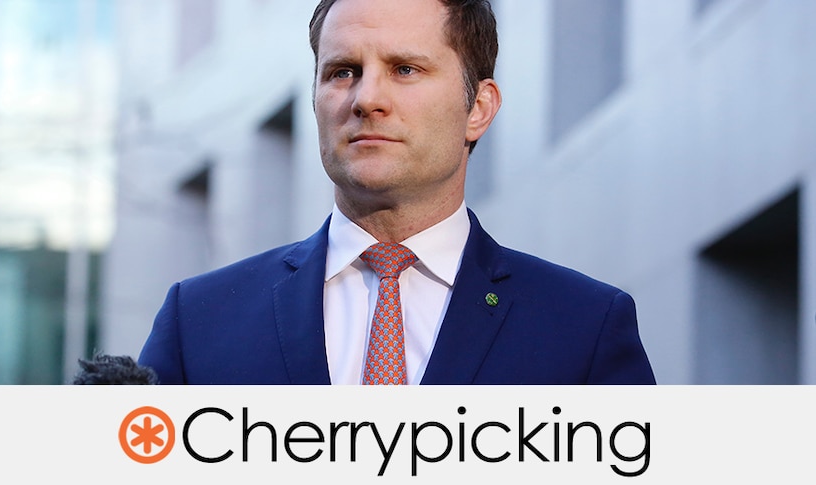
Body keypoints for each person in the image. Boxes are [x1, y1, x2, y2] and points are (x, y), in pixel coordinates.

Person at [138, 0, 655, 385]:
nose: (367, 99)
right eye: (343, 72)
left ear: (478, 107)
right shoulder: (199, 321)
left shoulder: (583, 328)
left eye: (405, 69)